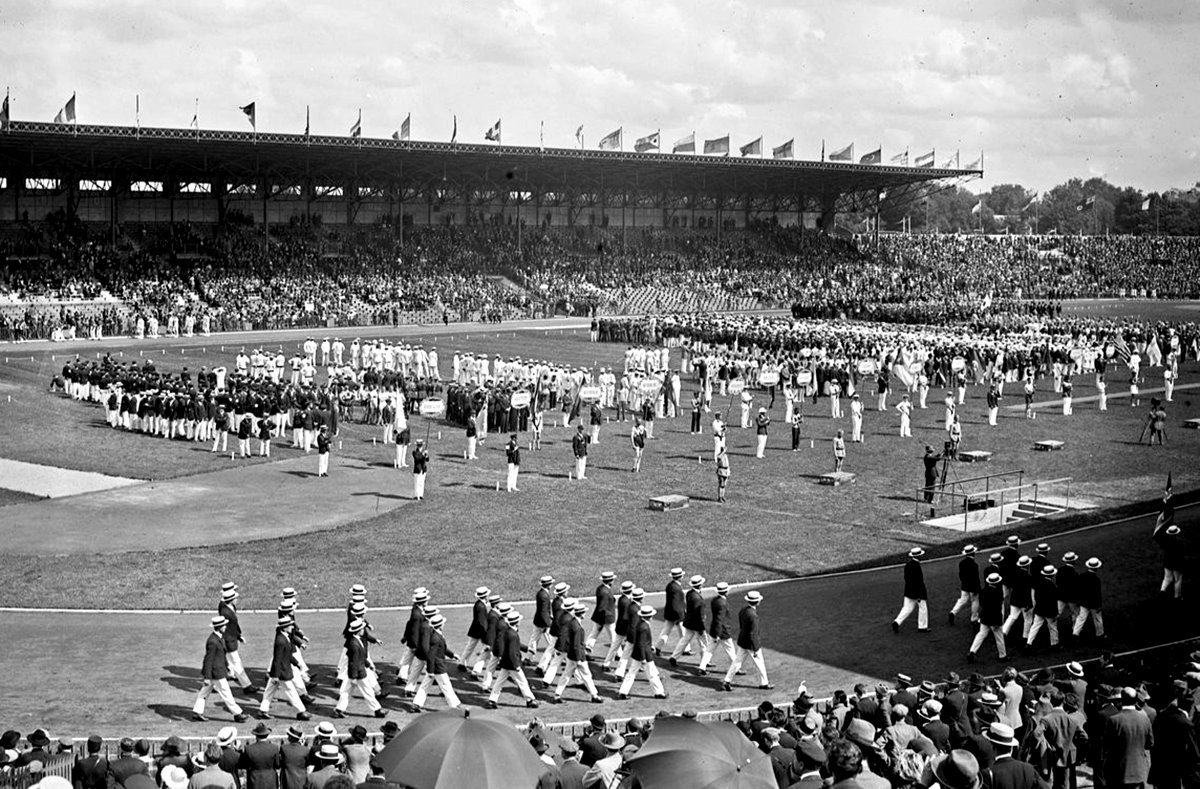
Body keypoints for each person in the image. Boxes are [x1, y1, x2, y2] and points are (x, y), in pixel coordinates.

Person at [192, 615, 248, 723]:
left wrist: (226, 667)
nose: (225, 627)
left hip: (217, 671)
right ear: (220, 627)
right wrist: (207, 677)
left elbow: (221, 655)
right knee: (226, 693)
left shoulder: (218, 638)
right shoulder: (213, 641)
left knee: (204, 692)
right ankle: (237, 713)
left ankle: (197, 712)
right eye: (224, 626)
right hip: (216, 673)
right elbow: (208, 660)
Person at [258, 616, 311, 721]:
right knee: (291, 691)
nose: (292, 627)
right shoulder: (281, 640)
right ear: (284, 628)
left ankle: (262, 711)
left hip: (278, 672)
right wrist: (276, 676)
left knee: (269, 692)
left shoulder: (285, 637)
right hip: (281, 672)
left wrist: (297, 664)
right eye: (289, 625)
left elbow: (287, 654)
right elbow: (277, 659)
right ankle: (301, 711)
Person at [485, 610, 539, 709]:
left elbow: (514, 646)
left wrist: (527, 649)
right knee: (522, 682)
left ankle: (492, 700)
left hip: (505, 663)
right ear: (517, 622)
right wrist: (516, 666)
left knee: (499, 682)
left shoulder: (508, 632)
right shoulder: (513, 634)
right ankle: (530, 700)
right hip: (512, 664)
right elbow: (512, 652)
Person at [1102, 688, 1154, 789]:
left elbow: (1107, 745)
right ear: (1136, 700)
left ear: (1122, 700)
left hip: (1118, 771)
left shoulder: (1114, 720)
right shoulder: (1145, 719)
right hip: (1139, 771)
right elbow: (1150, 744)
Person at [720, 590, 771, 691]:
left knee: (737, 662)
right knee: (760, 663)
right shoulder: (753, 615)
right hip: (751, 643)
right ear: (757, 602)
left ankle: (727, 680)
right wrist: (755, 648)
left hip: (743, 640)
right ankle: (764, 683)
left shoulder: (743, 610)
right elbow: (753, 633)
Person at [335, 619, 386, 717]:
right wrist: (354, 677)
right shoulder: (354, 644)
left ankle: (339, 710)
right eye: (362, 628)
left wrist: (368, 664)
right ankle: (377, 710)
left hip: (355, 672)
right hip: (358, 673)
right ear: (358, 630)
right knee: (368, 692)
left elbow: (360, 657)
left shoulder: (357, 640)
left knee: (346, 692)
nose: (364, 630)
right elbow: (354, 662)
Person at [411, 613, 460, 712]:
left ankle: (416, 703)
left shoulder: (436, 635)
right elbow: (431, 655)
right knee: (446, 685)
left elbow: (443, 649)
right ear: (440, 625)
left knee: (425, 685)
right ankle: (455, 706)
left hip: (435, 666)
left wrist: (452, 655)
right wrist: (430, 671)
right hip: (438, 667)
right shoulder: (436, 638)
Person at [617, 605, 667, 700]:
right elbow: (641, 643)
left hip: (639, 654)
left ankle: (623, 692)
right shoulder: (644, 627)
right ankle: (659, 692)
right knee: (652, 674)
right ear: (650, 616)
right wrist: (643, 658)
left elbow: (641, 642)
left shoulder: (640, 624)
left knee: (632, 673)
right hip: (644, 655)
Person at [669, 574, 709, 668]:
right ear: (700, 585)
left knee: (684, 640)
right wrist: (701, 627)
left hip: (689, 622)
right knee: (704, 644)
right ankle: (704, 663)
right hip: (696, 624)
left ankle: (674, 657)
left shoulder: (690, 593)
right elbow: (698, 615)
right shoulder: (697, 598)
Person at [967, 573, 1008, 664]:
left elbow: (982, 604)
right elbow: (998, 608)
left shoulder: (984, 591)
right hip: (994, 618)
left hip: (985, 616)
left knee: (981, 634)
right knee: (999, 637)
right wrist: (999, 621)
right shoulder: (998, 592)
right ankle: (1002, 655)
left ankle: (972, 651)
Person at [891, 547, 929, 633]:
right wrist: (919, 594)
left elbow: (907, 579)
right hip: (918, 592)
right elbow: (918, 581)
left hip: (908, 590)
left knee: (907, 608)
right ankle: (922, 626)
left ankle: (897, 621)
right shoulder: (917, 566)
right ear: (919, 556)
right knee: (923, 608)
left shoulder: (908, 565)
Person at [239, 723, 281, 789]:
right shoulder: (274, 748)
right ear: (267, 735)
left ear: (256, 735)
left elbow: (245, 765)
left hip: (254, 782)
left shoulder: (249, 749)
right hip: (270, 782)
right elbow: (277, 765)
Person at [654, 568, 686, 655]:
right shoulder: (676, 588)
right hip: (676, 614)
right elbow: (676, 603)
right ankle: (685, 649)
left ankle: (658, 647)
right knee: (683, 632)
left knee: (666, 631)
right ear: (679, 577)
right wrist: (679, 616)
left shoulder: (671, 585)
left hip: (670, 613)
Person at [949, 545, 981, 627]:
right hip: (973, 586)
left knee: (963, 599)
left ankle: (953, 612)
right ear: (973, 553)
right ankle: (974, 618)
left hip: (965, 584)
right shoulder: (974, 565)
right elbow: (976, 578)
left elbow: (961, 575)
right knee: (975, 601)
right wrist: (978, 588)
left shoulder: (962, 563)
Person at [1073, 558, 1105, 640]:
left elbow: (1078, 589)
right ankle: (1100, 634)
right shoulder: (1096, 580)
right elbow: (1097, 594)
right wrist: (1099, 605)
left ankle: (1075, 633)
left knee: (1081, 618)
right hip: (1094, 603)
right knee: (1097, 619)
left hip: (1084, 602)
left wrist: (1078, 599)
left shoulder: (1082, 576)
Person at [586, 571, 617, 653]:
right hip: (607, 618)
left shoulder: (600, 588)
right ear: (610, 580)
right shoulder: (605, 592)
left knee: (594, 633)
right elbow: (603, 607)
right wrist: (603, 620)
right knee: (614, 636)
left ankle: (588, 646)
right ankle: (618, 653)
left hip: (598, 616)